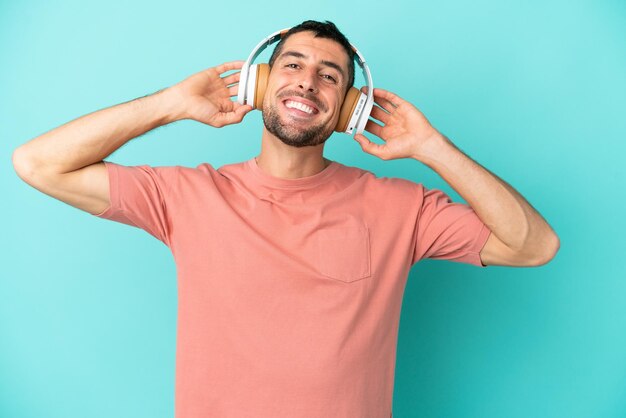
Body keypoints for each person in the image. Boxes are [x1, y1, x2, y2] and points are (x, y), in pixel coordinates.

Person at [12, 20, 559, 418]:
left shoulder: (402, 207)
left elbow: (534, 245)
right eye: (292, 65)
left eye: (329, 77)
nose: (306, 83)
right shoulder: (186, 195)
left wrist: (433, 148)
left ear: (351, 108)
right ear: (260, 82)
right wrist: (170, 103)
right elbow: (36, 163)